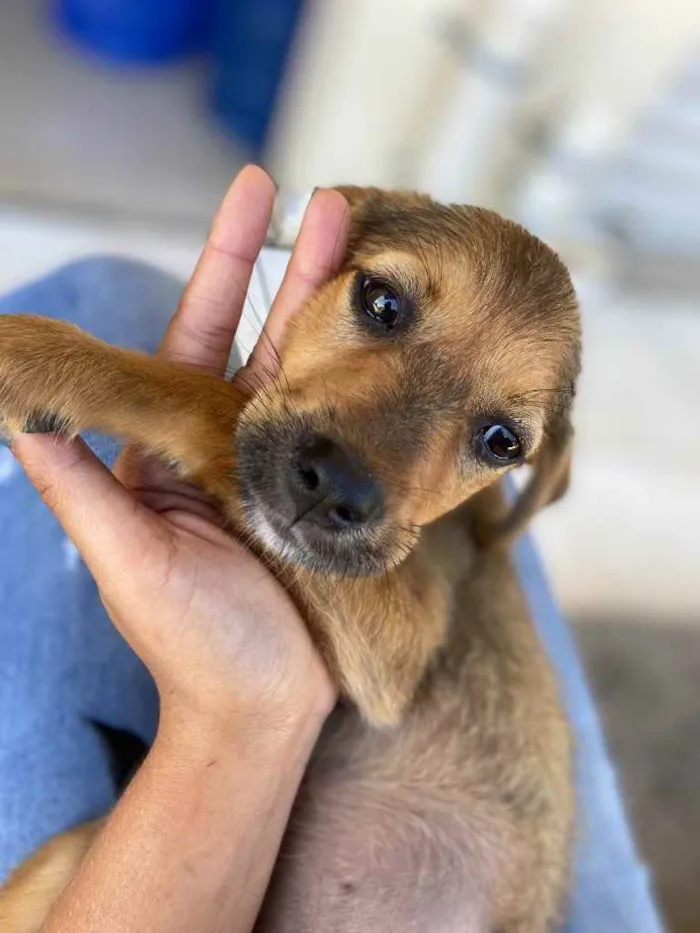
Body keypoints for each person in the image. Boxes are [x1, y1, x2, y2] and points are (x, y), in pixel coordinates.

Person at [0, 167, 663, 932]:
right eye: (383, 307)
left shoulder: (456, 535)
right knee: (76, 863)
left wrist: (154, 400)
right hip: (225, 860)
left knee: (107, 291)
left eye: (496, 438)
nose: (365, 462)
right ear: (342, 234)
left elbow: (385, 666)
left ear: (532, 480)